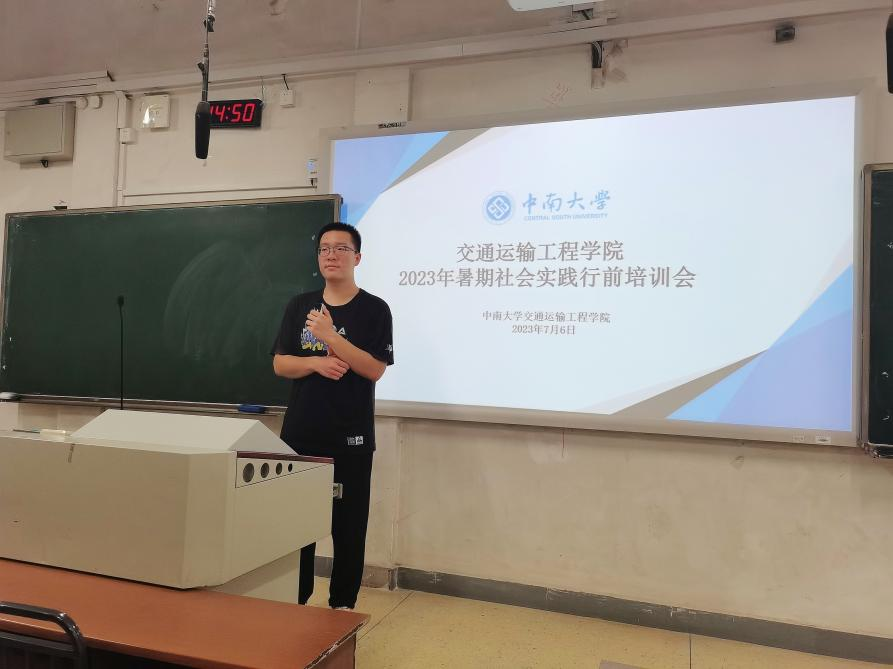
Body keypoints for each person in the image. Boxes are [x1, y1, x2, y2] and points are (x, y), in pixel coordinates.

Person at [271, 221, 393, 609]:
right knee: (298, 526)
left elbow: (375, 368)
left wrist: (331, 337)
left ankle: (342, 606)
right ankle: (296, 602)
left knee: (349, 527)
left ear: (357, 257)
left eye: (341, 248)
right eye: (324, 249)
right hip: (301, 433)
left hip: (351, 436)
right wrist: (315, 363)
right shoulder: (299, 305)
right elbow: (280, 363)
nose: (331, 255)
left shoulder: (374, 309)